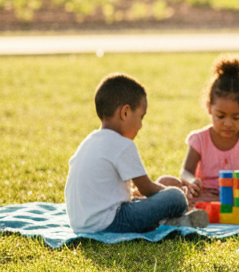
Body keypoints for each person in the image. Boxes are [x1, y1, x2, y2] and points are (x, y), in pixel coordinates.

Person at [64, 74, 207, 233]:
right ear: (125, 112)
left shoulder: (89, 141)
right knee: (175, 197)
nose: (140, 125)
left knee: (143, 201)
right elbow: (147, 188)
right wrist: (170, 193)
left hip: (80, 224)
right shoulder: (122, 144)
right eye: (141, 117)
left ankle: (172, 222)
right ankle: (173, 218)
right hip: (110, 222)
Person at [157, 55, 239, 205]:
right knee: (165, 181)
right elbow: (185, 172)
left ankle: (215, 204)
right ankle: (216, 202)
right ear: (209, 107)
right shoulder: (199, 139)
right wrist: (192, 182)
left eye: (236, 117)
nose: (228, 123)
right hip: (205, 192)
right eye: (221, 116)